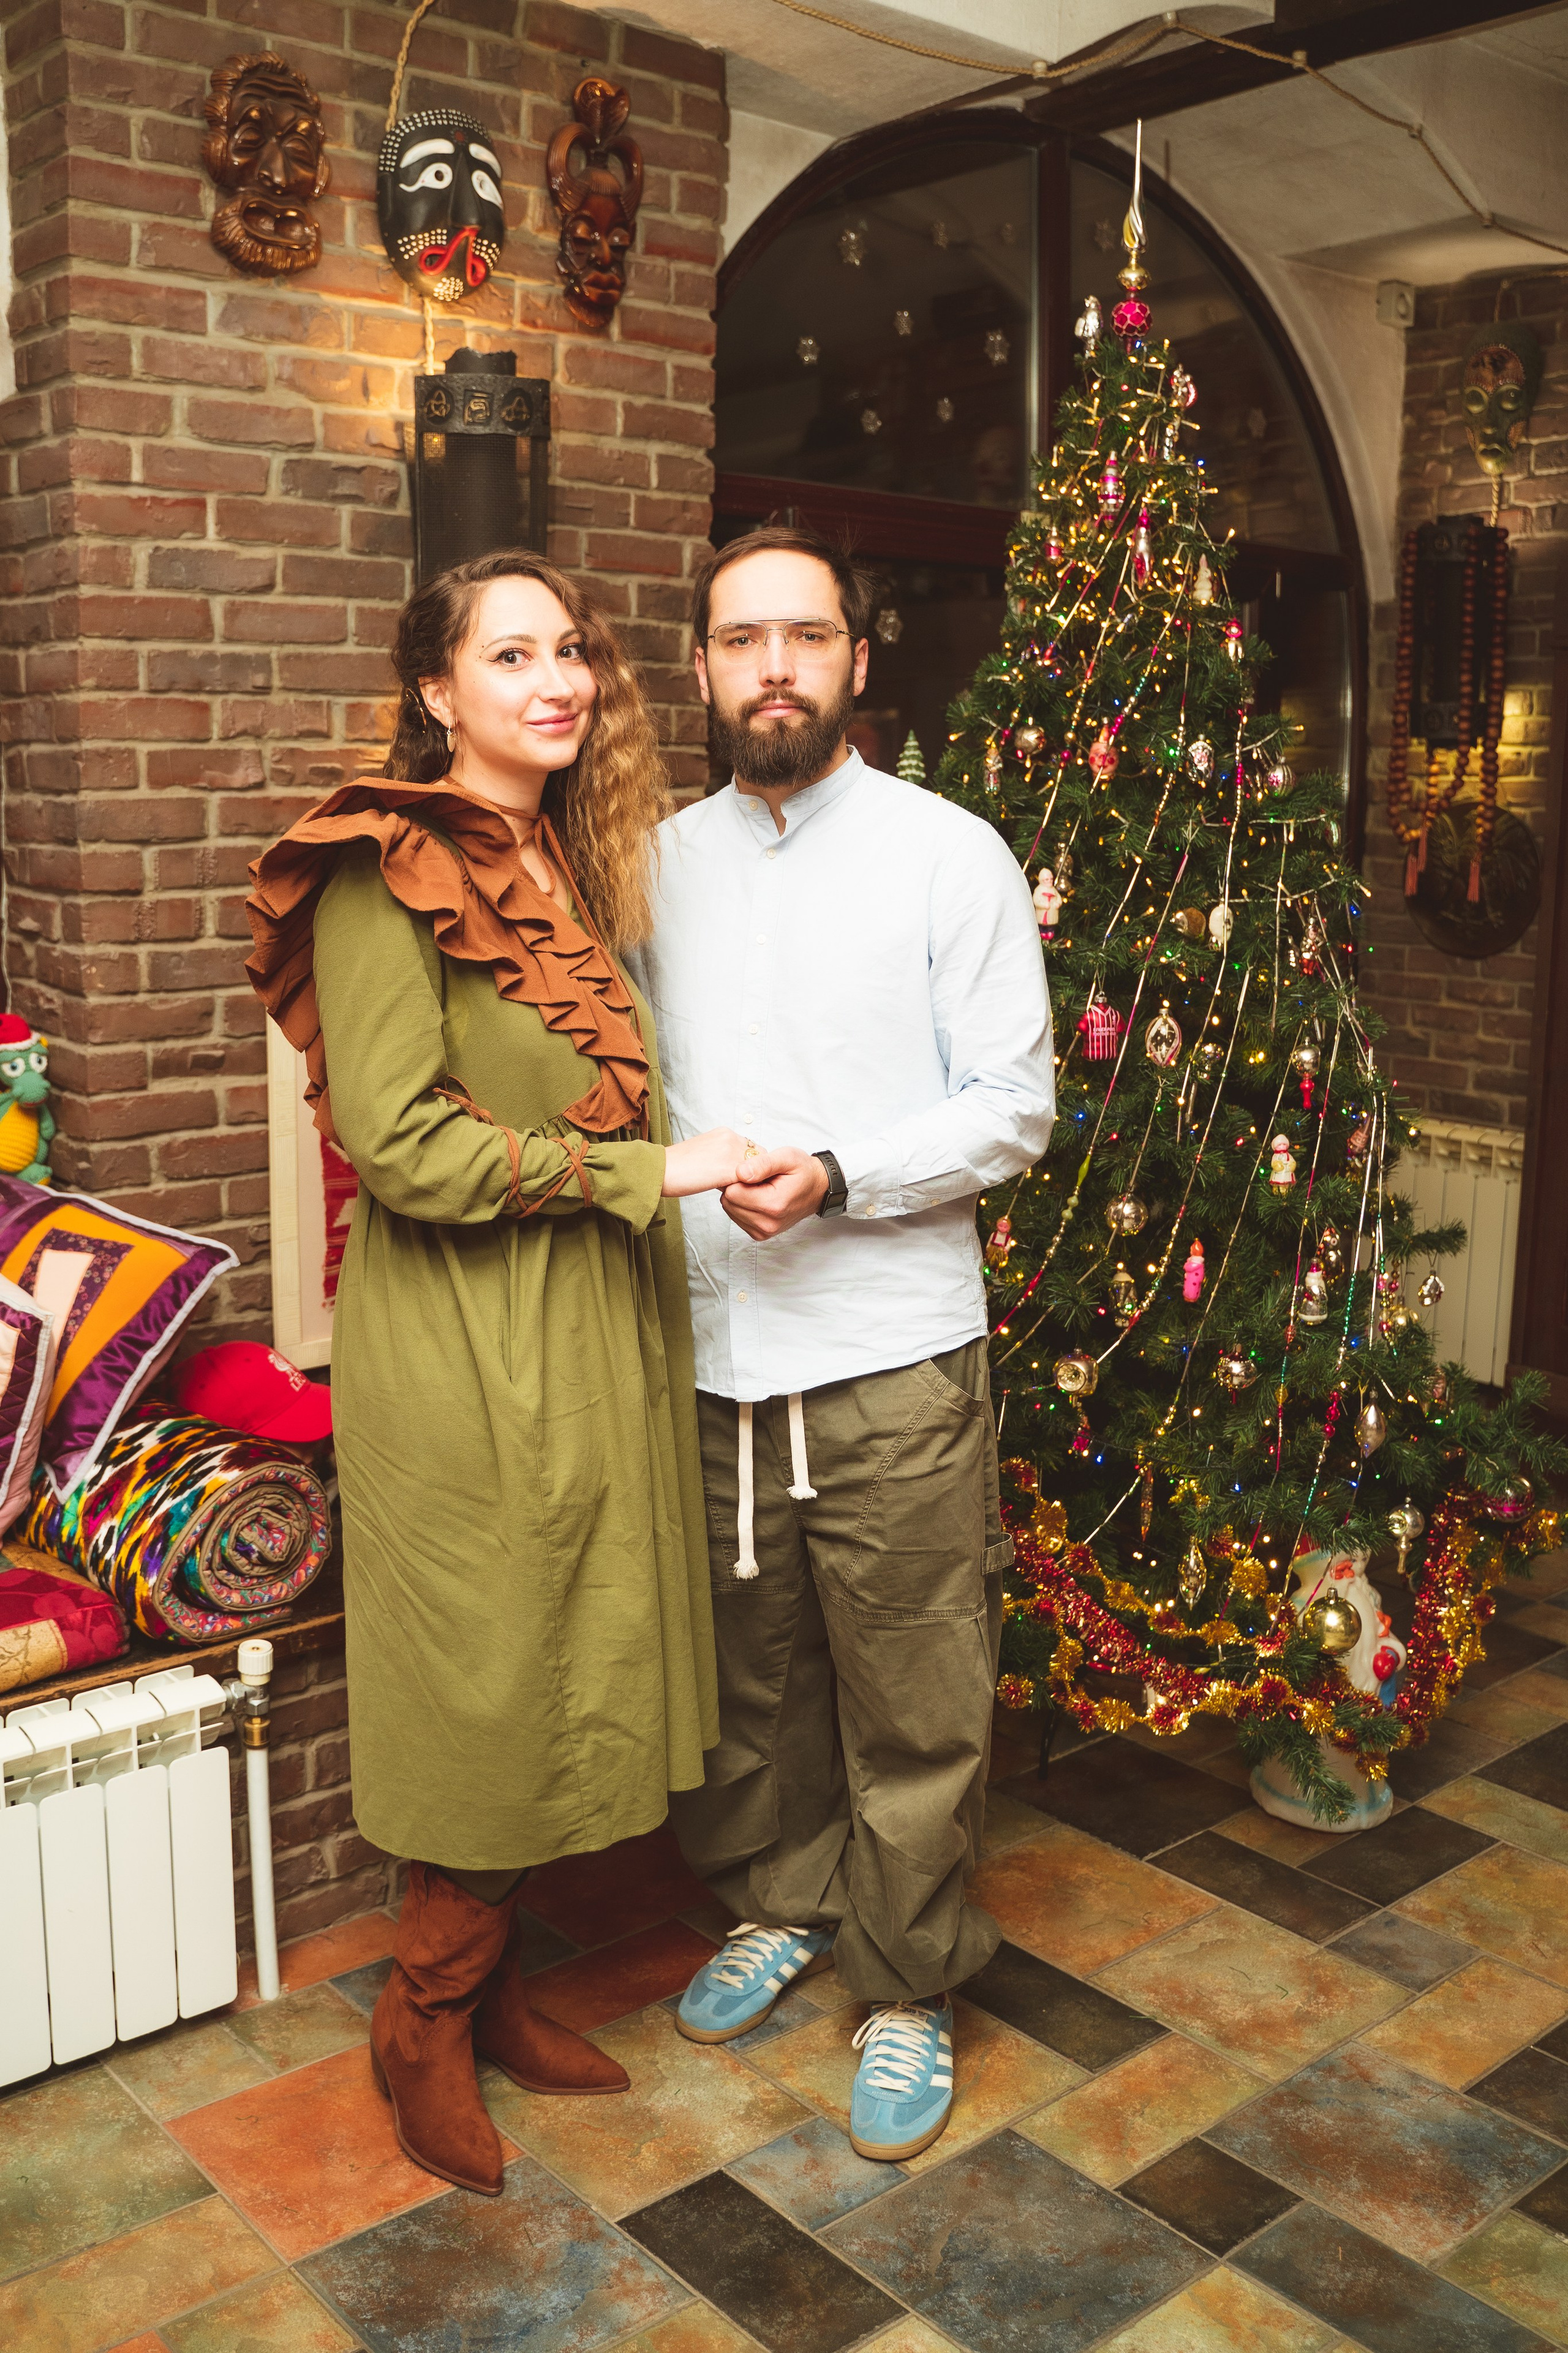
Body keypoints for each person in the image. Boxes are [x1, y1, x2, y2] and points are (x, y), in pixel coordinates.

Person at [246, 554, 738, 2199]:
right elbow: (396, 1144)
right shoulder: (385, 867)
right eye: (509, 653)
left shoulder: (561, 859)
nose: (557, 678)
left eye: (572, 649)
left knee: (564, 1645)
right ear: (437, 691)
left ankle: (495, 1978)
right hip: (465, 1341)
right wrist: (640, 1180)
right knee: (490, 1659)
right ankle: (424, 2017)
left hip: (582, 1319)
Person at [626, 523, 1055, 2163]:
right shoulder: (657, 860)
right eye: (743, 640)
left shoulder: (954, 855)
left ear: (859, 659)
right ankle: (787, 1904)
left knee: (918, 1689)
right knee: (759, 1683)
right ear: (707, 669)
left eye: (806, 636)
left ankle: (907, 1981)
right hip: (720, 1355)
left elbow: (1013, 1105)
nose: (776, 667)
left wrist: (844, 1176)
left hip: (890, 1353)